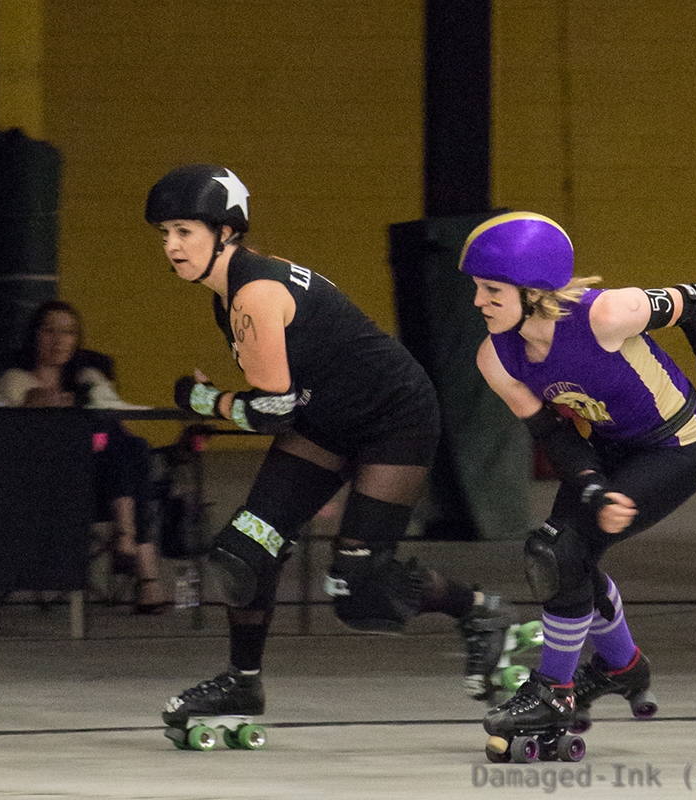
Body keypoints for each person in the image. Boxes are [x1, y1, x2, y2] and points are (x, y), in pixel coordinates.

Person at [144, 163, 517, 728]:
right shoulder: (230, 293)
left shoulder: (254, 293)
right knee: (244, 552)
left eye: (184, 232)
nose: (172, 246)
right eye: (165, 233)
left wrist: (203, 402)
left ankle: (479, 612)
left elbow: (271, 411)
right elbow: (285, 405)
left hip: (394, 419)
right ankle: (242, 686)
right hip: (325, 420)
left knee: (357, 588)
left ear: (226, 233)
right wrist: (216, 401)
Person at [457, 212, 696, 759]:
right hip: (609, 451)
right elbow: (554, 435)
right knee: (558, 556)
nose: (477, 302)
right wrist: (589, 485)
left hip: (675, 445)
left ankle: (553, 691)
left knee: (562, 552)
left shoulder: (606, 314)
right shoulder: (495, 356)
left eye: (491, 289)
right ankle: (623, 666)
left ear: (534, 292)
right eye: (477, 289)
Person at [0, 300, 168, 613]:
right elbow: (3, 440)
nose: (59, 340)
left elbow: (116, 417)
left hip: (95, 483)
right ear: (35, 335)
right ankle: (143, 571)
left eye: (68, 332)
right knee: (123, 448)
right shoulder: (15, 381)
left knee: (125, 444)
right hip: (41, 486)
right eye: (50, 331)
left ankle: (127, 541)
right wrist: (34, 405)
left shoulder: (87, 379)